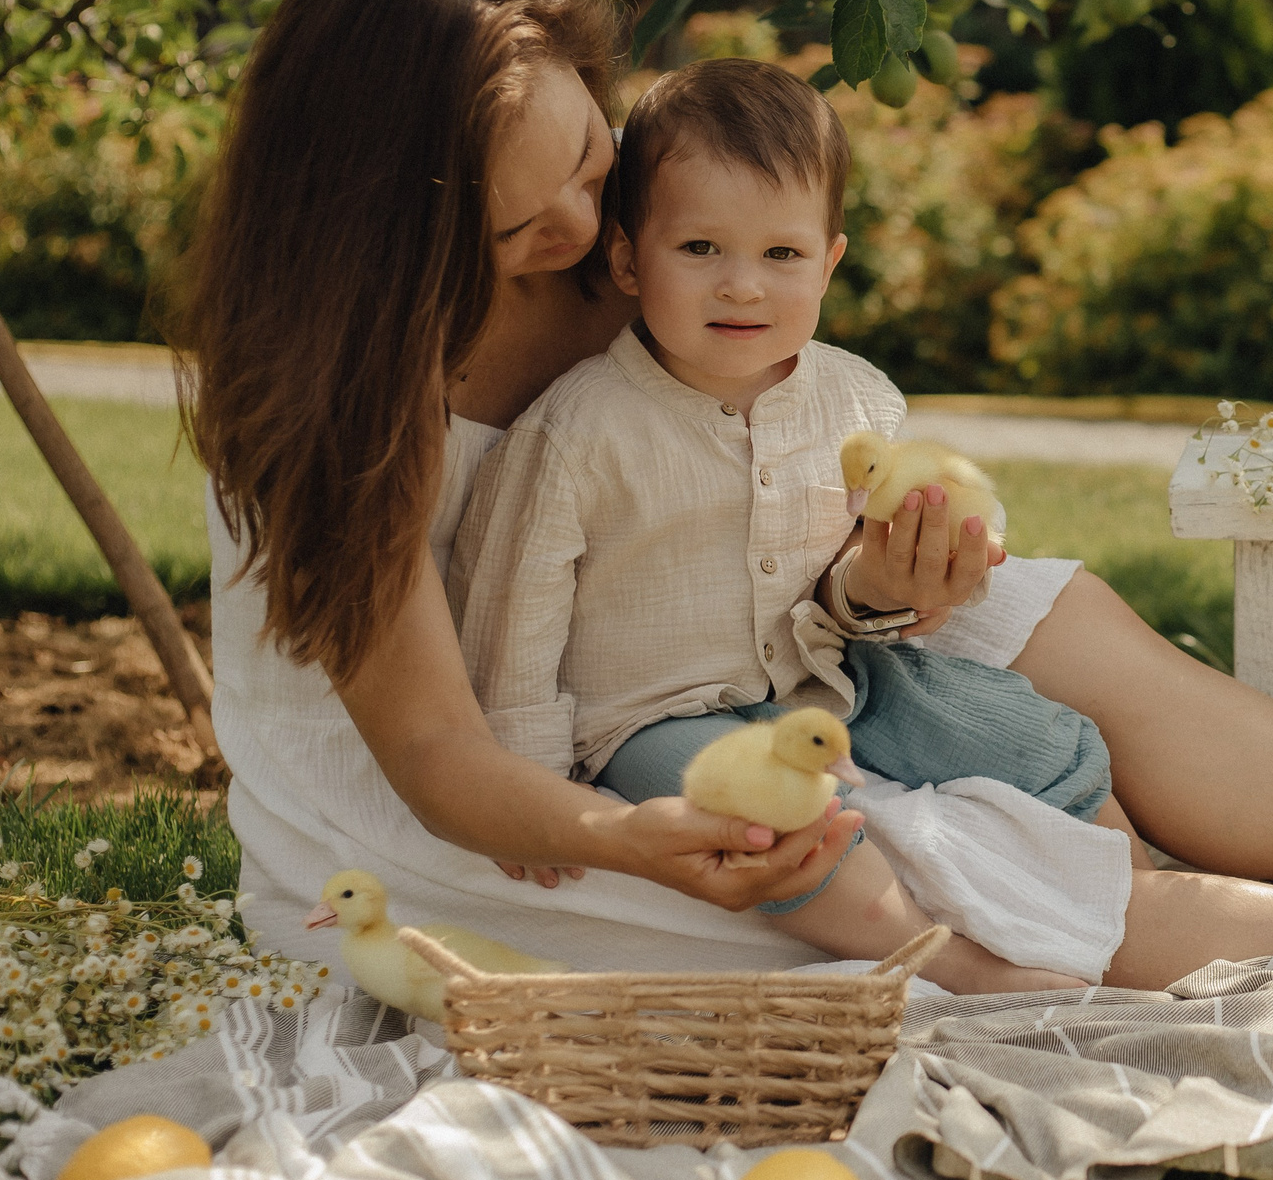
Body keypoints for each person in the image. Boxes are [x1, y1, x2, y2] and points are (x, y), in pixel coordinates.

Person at [184, 0, 1273, 994]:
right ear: (388, 228)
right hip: (528, 782)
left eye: (594, 154)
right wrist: (623, 835)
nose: (584, 228)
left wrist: (893, 567)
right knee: (938, 877)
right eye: (523, 210)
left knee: (1061, 622)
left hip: (776, 633)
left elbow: (780, 393)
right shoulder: (343, 396)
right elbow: (445, 752)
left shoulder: (619, 239)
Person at [448, 60, 1125, 993]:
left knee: (1027, 732)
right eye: (699, 250)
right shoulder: (581, 430)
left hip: (828, 675)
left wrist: (920, 561)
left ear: (829, 261)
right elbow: (513, 611)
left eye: (781, 256)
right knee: (781, 826)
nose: (743, 288)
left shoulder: (853, 396)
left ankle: (1135, 887)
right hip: (649, 715)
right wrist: (532, 793)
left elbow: (868, 553)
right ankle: (960, 965)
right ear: (627, 259)